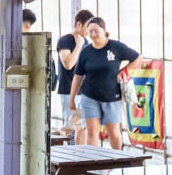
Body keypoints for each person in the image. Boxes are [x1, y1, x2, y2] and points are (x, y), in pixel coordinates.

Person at [69, 16, 143, 150]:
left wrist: (125, 70)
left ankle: (118, 160)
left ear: (104, 30)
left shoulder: (115, 47)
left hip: (111, 97)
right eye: (90, 31)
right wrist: (72, 98)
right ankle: (93, 163)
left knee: (113, 133)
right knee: (91, 132)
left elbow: (138, 58)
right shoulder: (86, 51)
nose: (93, 34)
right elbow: (78, 76)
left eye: (96, 31)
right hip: (89, 96)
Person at [56, 9, 94, 144]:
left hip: (83, 91)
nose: (89, 31)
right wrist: (78, 45)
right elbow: (68, 64)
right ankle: (68, 155)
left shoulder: (87, 43)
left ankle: (79, 156)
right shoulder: (65, 41)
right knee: (70, 126)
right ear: (78, 25)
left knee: (82, 126)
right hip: (68, 90)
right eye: (87, 27)